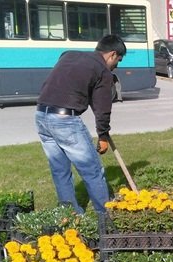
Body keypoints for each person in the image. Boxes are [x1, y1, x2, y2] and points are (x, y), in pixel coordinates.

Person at [35, 34, 126, 214]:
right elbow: (102, 108)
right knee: (92, 170)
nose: (117, 65)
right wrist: (103, 136)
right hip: (65, 121)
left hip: (41, 116)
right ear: (112, 54)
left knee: (60, 170)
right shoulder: (102, 70)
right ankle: (105, 218)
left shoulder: (69, 55)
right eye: (118, 60)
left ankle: (70, 216)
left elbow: (76, 82)